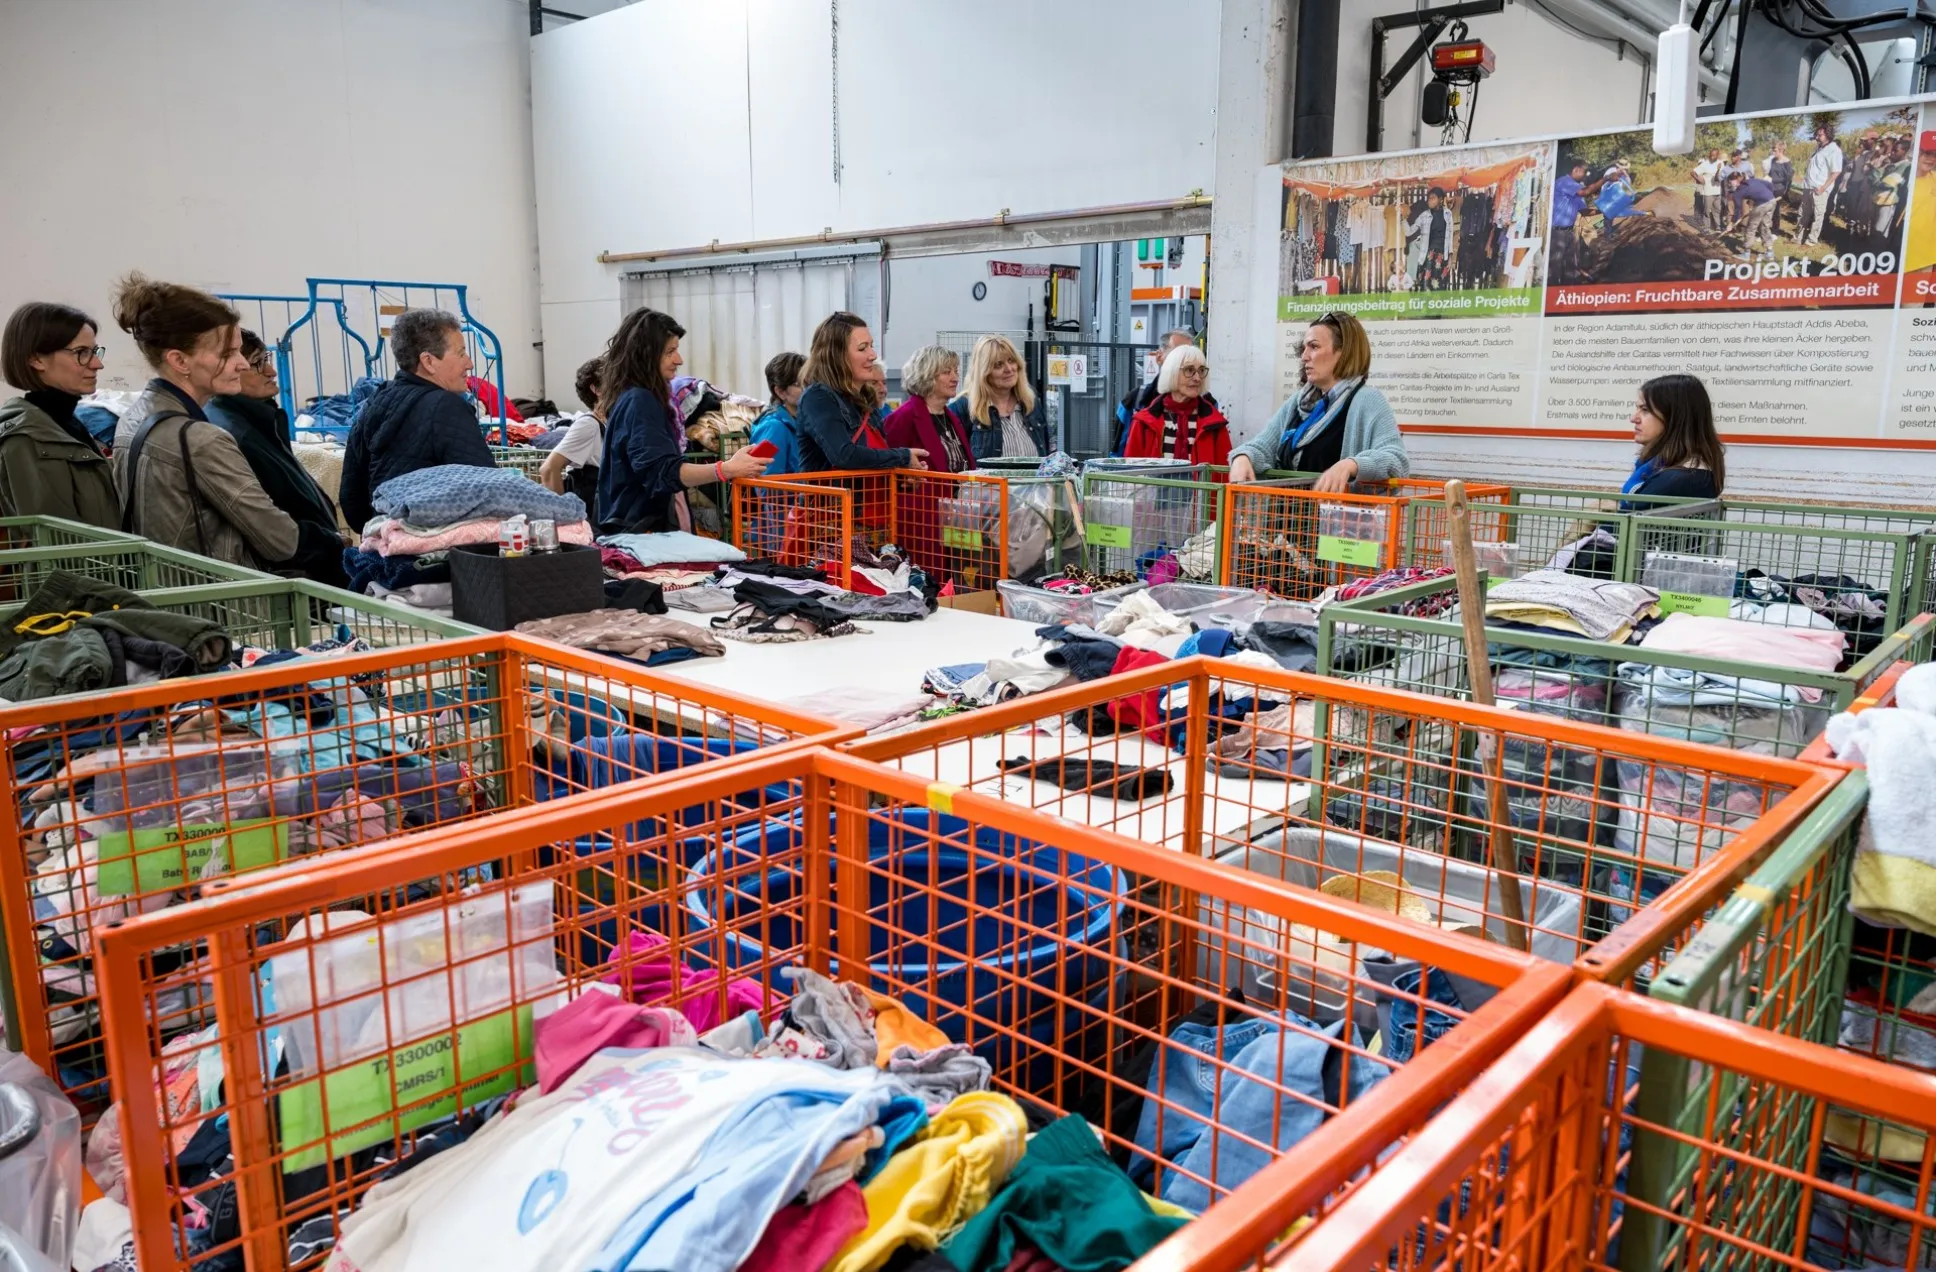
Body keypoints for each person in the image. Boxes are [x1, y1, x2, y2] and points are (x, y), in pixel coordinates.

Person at [110, 275, 299, 567]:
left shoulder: (131, 421)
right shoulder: (201, 440)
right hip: (220, 605)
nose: (243, 363)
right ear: (180, 361)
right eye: (227, 353)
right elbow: (282, 541)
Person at [595, 308, 770, 534]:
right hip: (643, 534)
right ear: (645, 355)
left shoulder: (636, 398)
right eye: (670, 351)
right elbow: (663, 473)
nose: (679, 360)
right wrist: (726, 469)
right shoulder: (640, 401)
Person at [205, 330, 348, 586]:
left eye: (267, 359)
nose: (271, 371)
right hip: (298, 574)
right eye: (258, 363)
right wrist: (328, 541)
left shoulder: (256, 420)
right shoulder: (238, 435)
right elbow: (268, 521)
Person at [339, 309, 494, 529]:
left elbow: (351, 497)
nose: (469, 364)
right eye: (461, 354)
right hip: (436, 553)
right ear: (429, 361)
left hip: (382, 547)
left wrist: (382, 532)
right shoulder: (446, 407)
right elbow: (489, 491)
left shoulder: (375, 402)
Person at [1229, 311, 1409, 494]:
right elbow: (1261, 446)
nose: (1304, 356)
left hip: (1333, 522)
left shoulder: (1367, 400)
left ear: (1344, 352)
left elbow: (1396, 460)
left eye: (1314, 347)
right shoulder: (1299, 402)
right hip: (1285, 521)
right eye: (1304, 348)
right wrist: (1243, 457)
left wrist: (1352, 464)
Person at [0, 303, 120, 528]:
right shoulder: (30, 441)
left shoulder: (64, 424)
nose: (97, 364)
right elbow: (57, 549)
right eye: (81, 353)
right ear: (36, 359)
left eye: (94, 351)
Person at [795, 312, 926, 472]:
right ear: (837, 356)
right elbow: (844, 455)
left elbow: (874, 459)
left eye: (872, 346)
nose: (873, 355)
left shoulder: (867, 398)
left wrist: (902, 477)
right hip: (835, 497)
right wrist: (902, 457)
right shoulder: (818, 398)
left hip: (871, 496)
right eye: (863, 348)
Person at [1620, 373, 1724, 508]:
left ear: (1675, 417)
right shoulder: (1663, 468)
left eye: (1645, 410)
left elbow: (1627, 520)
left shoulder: (1679, 479)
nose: (1634, 418)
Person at [1120, 344, 1230, 467]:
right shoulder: (1143, 422)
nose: (1197, 378)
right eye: (1189, 370)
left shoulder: (1215, 424)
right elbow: (1131, 474)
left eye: (1201, 371)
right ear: (1171, 373)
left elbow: (1223, 477)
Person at [951, 334, 1048, 461]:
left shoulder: (1031, 403)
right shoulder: (964, 408)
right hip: (985, 482)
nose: (1009, 369)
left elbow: (1047, 457)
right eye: (998, 365)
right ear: (984, 372)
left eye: (1011, 361)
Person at [882, 346, 973, 472]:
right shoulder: (903, 417)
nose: (955, 378)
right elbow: (889, 469)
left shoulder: (952, 418)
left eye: (956, 372)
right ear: (926, 375)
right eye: (947, 372)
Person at [537, 357, 604, 514]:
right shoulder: (589, 425)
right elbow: (548, 469)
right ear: (597, 389)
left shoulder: (609, 423)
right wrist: (564, 519)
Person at [1112, 329, 1194, 455]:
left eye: (1191, 355)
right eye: (1178, 354)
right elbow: (1118, 452)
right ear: (1159, 357)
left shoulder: (1207, 406)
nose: (1186, 361)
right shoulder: (1135, 400)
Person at [748, 351, 806, 476]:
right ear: (780, 392)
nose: (807, 388)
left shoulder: (806, 422)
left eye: (809, 381)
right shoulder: (774, 428)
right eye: (798, 384)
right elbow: (767, 488)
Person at [1551, 158, 1600, 286]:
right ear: (1576, 170)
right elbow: (1585, 192)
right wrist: (1605, 179)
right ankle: (1551, 296)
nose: (1585, 176)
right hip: (1558, 233)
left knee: (1572, 267)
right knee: (1555, 266)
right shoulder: (1564, 182)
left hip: (1571, 232)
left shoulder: (1575, 192)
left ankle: (1569, 296)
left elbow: (1584, 210)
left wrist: (1599, 224)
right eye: (1584, 172)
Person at [1800, 123, 1844, 247]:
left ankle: (1811, 241)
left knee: (1817, 216)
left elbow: (1836, 172)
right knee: (1803, 213)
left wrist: (1823, 187)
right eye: (1817, 134)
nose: (1817, 137)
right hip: (1808, 186)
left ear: (1828, 135)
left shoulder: (1834, 150)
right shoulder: (1820, 148)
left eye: (1820, 135)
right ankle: (1797, 237)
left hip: (1820, 189)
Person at [1725, 170, 1780, 257]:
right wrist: (1769, 195)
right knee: (1764, 226)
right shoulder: (1752, 180)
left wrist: (1731, 224)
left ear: (1735, 180)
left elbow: (1737, 210)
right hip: (1772, 201)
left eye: (1730, 181)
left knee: (1751, 228)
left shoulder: (1738, 192)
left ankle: (1746, 253)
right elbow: (1769, 185)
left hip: (1762, 205)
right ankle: (1769, 252)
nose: (1729, 184)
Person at [1407, 189, 1452, 290]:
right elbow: (1409, 231)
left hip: (1442, 255)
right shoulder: (1424, 215)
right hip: (1429, 255)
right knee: (1426, 285)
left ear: (1440, 200)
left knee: (1440, 286)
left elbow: (1450, 236)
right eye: (1429, 198)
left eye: (1433, 198)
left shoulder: (1448, 214)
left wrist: (1450, 256)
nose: (1429, 201)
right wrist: (1402, 219)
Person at [1765, 141, 1794, 237]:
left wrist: (1785, 192)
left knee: (1776, 210)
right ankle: (1767, 229)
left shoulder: (1787, 162)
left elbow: (1788, 178)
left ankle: (1775, 231)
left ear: (1781, 150)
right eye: (1773, 150)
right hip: (1770, 187)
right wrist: (1767, 179)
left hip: (1780, 189)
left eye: (1775, 150)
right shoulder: (1773, 160)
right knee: (1768, 209)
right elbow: (1770, 173)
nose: (1773, 152)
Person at [1691, 149, 1724, 231]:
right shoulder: (1705, 164)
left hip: (1718, 191)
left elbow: (1718, 178)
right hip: (1708, 192)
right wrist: (1699, 179)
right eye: (1711, 155)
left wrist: (1718, 169)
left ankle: (1718, 227)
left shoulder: (1721, 163)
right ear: (1709, 155)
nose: (1712, 157)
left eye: (1714, 155)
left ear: (1717, 155)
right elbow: (1693, 172)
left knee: (1717, 210)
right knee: (1706, 211)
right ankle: (1706, 227)